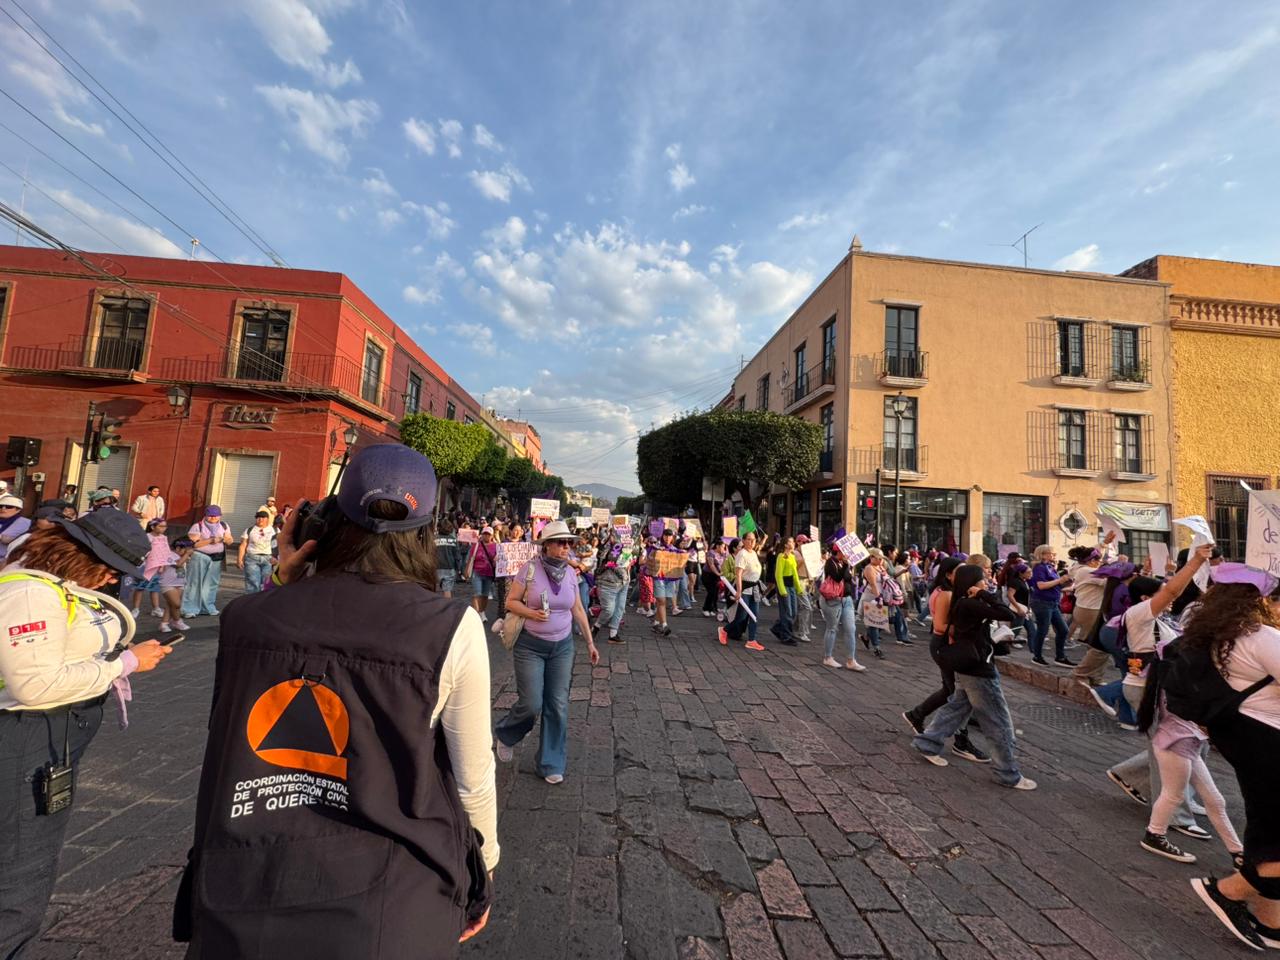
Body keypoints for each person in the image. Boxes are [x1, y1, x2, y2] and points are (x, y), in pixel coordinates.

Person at [175, 443, 497, 954]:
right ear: (425, 533)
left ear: (322, 524)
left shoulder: (246, 617)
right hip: (390, 898)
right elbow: (473, 774)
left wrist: (283, 580)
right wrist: (484, 865)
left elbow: (227, 732)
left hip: (242, 885)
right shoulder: (449, 626)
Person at [0, 510, 171, 957]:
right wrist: (124, 664)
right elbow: (35, 684)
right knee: (20, 875)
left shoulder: (52, 588)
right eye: (111, 569)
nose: (112, 580)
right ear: (79, 555)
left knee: (26, 864)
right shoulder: (30, 595)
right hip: (25, 736)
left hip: (48, 735)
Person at [1178, 564, 1280, 950]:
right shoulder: (1262, 637)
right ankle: (1228, 891)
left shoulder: (1220, 637)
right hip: (1269, 742)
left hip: (1245, 740)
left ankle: (1270, 921)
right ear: (1261, 602)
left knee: (1269, 833)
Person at [494, 520, 599, 784]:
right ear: (547, 546)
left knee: (558, 705)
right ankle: (507, 733)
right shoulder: (529, 569)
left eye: (569, 543)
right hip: (530, 645)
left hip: (562, 646)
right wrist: (531, 613)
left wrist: (589, 642)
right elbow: (510, 602)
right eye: (561, 543)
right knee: (531, 703)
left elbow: (577, 609)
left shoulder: (572, 574)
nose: (566, 547)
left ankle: (550, 762)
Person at [910, 564, 1032, 788]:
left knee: (957, 707)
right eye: (983, 580)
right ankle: (1007, 772)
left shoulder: (964, 602)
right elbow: (1007, 613)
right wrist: (985, 594)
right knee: (998, 721)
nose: (987, 583)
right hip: (978, 668)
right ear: (973, 583)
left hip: (971, 664)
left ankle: (928, 742)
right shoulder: (970, 603)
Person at [903, 557, 989, 763]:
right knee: (959, 694)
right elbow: (940, 626)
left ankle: (918, 715)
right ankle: (956, 739)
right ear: (949, 574)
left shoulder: (949, 592)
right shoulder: (947, 594)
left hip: (947, 645)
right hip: (947, 645)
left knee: (952, 691)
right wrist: (969, 628)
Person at [819, 541, 863, 671]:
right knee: (832, 628)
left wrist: (847, 566)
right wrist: (845, 565)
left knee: (851, 628)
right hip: (834, 600)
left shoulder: (844, 564)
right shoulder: (830, 563)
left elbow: (847, 578)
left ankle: (851, 660)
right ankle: (828, 657)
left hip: (847, 600)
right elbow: (837, 577)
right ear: (838, 552)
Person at [182, 505, 233, 618]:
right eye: (211, 515)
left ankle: (207, 607)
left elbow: (229, 540)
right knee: (194, 583)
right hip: (200, 556)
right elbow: (194, 544)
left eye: (216, 515)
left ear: (220, 515)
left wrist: (227, 539)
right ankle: (189, 609)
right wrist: (211, 540)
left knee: (211, 584)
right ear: (206, 515)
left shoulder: (224, 525)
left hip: (217, 558)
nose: (213, 518)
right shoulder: (197, 526)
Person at [1029, 544, 1073, 667]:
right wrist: (1060, 580)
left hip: (1053, 602)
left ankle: (1060, 656)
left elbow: (1054, 585)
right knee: (1043, 630)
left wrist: (1068, 585)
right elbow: (1041, 585)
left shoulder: (1050, 567)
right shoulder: (1039, 567)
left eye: (1054, 553)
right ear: (1042, 554)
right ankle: (1037, 656)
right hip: (1042, 602)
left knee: (1063, 630)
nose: (1054, 556)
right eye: (1051, 553)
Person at [721, 531, 765, 652]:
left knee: (754, 615)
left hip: (754, 587)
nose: (752, 542)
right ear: (744, 540)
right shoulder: (742, 554)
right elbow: (738, 574)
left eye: (754, 540)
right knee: (742, 616)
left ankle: (752, 640)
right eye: (749, 539)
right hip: (745, 587)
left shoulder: (754, 553)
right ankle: (724, 630)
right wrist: (739, 591)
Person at [594, 534, 630, 644]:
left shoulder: (628, 546)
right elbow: (604, 559)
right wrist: (616, 547)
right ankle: (596, 626)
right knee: (609, 610)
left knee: (619, 608)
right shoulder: (606, 546)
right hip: (608, 582)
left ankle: (613, 634)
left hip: (624, 581)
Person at [649, 528, 685, 637]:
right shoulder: (656, 547)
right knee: (661, 600)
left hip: (669, 579)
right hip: (659, 577)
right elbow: (650, 558)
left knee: (664, 602)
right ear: (662, 536)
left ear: (673, 537)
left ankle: (656, 623)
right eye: (666, 535)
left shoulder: (674, 549)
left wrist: (682, 554)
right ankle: (664, 625)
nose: (667, 538)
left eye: (670, 536)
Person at [858, 548, 893, 660]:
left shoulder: (881, 567)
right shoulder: (869, 568)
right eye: (879, 558)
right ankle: (877, 648)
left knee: (881, 622)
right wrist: (879, 598)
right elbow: (873, 585)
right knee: (874, 624)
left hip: (881, 597)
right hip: (871, 598)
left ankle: (866, 637)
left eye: (881, 559)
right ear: (872, 557)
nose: (881, 560)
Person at [236, 510, 277, 594]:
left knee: (266, 583)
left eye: (263, 517)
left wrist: (278, 559)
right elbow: (243, 545)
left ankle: (263, 603)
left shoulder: (274, 530)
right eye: (258, 517)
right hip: (252, 558)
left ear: (267, 519)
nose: (260, 519)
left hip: (269, 559)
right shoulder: (249, 530)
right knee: (252, 582)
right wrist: (239, 559)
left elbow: (280, 544)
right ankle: (251, 603)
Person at [771, 537, 800, 645]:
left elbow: (795, 574)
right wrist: (782, 590)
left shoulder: (792, 557)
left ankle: (778, 628)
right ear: (785, 545)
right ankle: (786, 636)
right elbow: (778, 575)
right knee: (787, 612)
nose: (793, 543)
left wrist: (799, 588)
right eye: (791, 542)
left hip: (791, 586)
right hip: (783, 586)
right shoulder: (781, 556)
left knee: (793, 612)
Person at [466, 526, 498, 620]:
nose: (486, 536)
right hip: (477, 572)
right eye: (485, 534)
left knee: (485, 595)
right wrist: (467, 571)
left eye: (488, 534)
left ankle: (482, 612)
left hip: (489, 573)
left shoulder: (496, 546)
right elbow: (470, 558)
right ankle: (476, 614)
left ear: (492, 536)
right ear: (482, 534)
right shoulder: (476, 545)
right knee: (477, 593)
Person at [0, 493, 31, 563]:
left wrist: (3, 537)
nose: (3, 509)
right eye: (0, 506)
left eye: (8, 506)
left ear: (18, 509)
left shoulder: (26, 523)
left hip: (7, 561)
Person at [434, 517, 461, 598]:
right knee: (447, 590)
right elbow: (457, 555)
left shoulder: (433, 538)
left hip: (435, 566)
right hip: (449, 567)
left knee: (433, 588)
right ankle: (446, 608)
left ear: (438, 527)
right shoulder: (453, 540)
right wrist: (458, 569)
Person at [702, 539, 725, 618]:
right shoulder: (711, 553)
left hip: (717, 576)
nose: (723, 549)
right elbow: (711, 565)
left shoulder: (723, 554)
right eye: (722, 547)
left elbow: (723, 564)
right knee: (711, 592)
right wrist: (718, 573)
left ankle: (712, 608)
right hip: (708, 575)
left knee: (716, 592)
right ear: (718, 546)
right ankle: (705, 609)